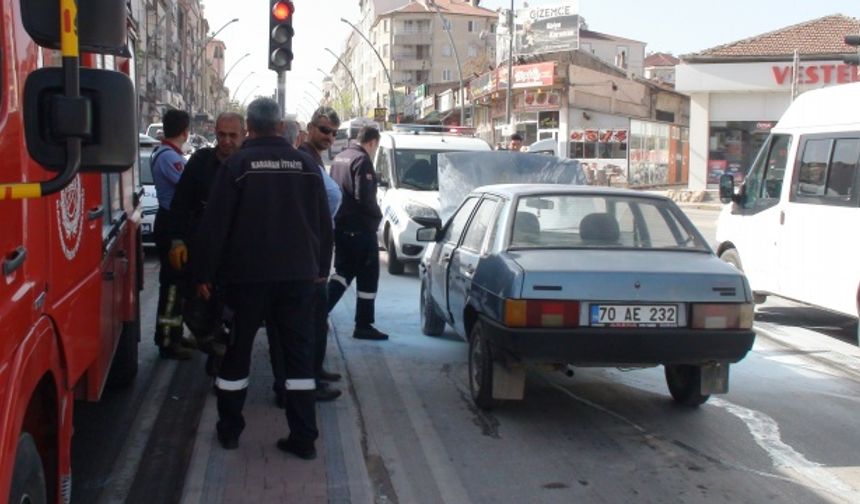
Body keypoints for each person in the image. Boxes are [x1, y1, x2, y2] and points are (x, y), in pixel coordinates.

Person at [192, 98, 333, 459]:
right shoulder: (305, 165)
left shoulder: (238, 165)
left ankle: (230, 431)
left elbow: (215, 226)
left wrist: (204, 273)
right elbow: (323, 223)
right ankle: (304, 437)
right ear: (280, 127)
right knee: (298, 359)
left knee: (237, 354)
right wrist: (321, 268)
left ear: (249, 128)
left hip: (247, 280)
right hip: (299, 279)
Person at [268, 107, 343, 405]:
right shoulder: (305, 159)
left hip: (309, 255)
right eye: (324, 130)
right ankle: (304, 385)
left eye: (334, 133)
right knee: (305, 325)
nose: (329, 137)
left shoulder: (314, 158)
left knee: (313, 321)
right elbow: (329, 200)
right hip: (305, 258)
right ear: (309, 129)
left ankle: (313, 375)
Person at [167, 113, 245, 367]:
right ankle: (207, 344)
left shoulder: (249, 163)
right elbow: (180, 203)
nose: (226, 141)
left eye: (233, 135)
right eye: (221, 134)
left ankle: (222, 360)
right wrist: (177, 240)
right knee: (197, 305)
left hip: (237, 248)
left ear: (243, 134)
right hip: (202, 244)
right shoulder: (200, 162)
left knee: (234, 312)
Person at [327, 126, 388, 341]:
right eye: (376, 147)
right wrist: (378, 215)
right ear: (371, 142)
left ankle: (317, 312)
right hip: (361, 230)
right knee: (368, 277)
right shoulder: (362, 161)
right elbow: (365, 198)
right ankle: (363, 324)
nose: (374, 150)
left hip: (341, 228)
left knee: (343, 273)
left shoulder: (341, 157)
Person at [151, 108, 193, 360]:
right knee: (172, 286)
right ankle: (167, 340)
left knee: (177, 283)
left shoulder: (168, 153)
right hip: (170, 225)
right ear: (185, 132)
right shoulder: (169, 157)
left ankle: (175, 333)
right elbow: (189, 185)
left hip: (171, 222)